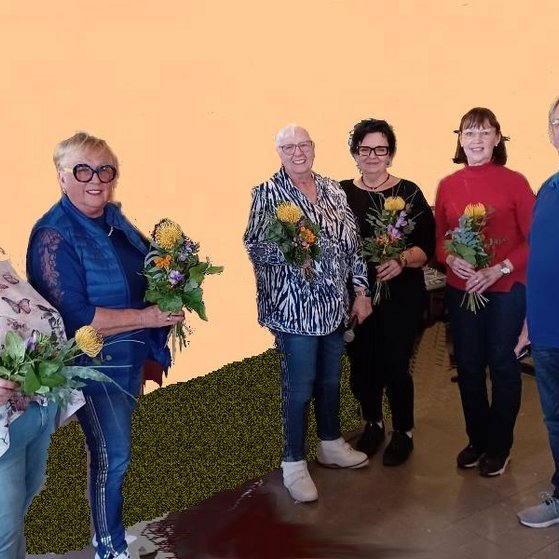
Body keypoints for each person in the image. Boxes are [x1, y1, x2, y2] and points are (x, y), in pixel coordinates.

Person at [26, 132, 184, 559]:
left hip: (128, 356)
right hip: (93, 365)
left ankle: (109, 531)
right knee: (112, 456)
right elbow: (74, 316)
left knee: (118, 453)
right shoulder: (53, 235)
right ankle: (108, 546)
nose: (95, 180)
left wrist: (173, 289)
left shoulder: (113, 220)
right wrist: (148, 318)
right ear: (62, 177)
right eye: (82, 170)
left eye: (104, 170)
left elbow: (150, 267)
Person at [243, 124, 372, 503]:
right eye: (289, 147)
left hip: (334, 307)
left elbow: (353, 245)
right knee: (298, 388)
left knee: (330, 381)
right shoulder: (266, 193)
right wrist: (288, 249)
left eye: (304, 145)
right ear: (279, 153)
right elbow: (254, 247)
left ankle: (330, 443)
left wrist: (361, 291)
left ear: (313, 148)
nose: (298, 152)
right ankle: (293, 463)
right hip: (293, 311)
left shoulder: (333, 189)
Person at [435, 107, 535, 477]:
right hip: (462, 290)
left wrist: (500, 268)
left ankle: (499, 445)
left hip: (506, 289)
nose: (476, 140)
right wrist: (451, 259)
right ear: (460, 140)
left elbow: (534, 239)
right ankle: (477, 439)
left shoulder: (515, 182)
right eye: (469, 133)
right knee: (469, 366)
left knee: (502, 364)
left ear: (497, 139)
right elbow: (439, 241)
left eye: (484, 132)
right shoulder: (447, 185)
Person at [339, 118, 435, 466]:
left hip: (401, 295)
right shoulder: (339, 193)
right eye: (365, 149)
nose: (372, 156)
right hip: (356, 295)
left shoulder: (409, 192)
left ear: (390, 153)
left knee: (395, 364)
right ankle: (374, 424)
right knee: (362, 364)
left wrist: (401, 260)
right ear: (355, 153)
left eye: (380, 149)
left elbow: (427, 247)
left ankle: (403, 431)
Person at [0, 248, 67, 559]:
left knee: (15, 523)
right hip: (5, 428)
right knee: (4, 534)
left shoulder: (5, 270)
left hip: (38, 410)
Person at [517, 96, 559, 527]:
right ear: (550, 132)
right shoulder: (548, 189)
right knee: (556, 420)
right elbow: (540, 261)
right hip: (547, 332)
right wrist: (529, 323)